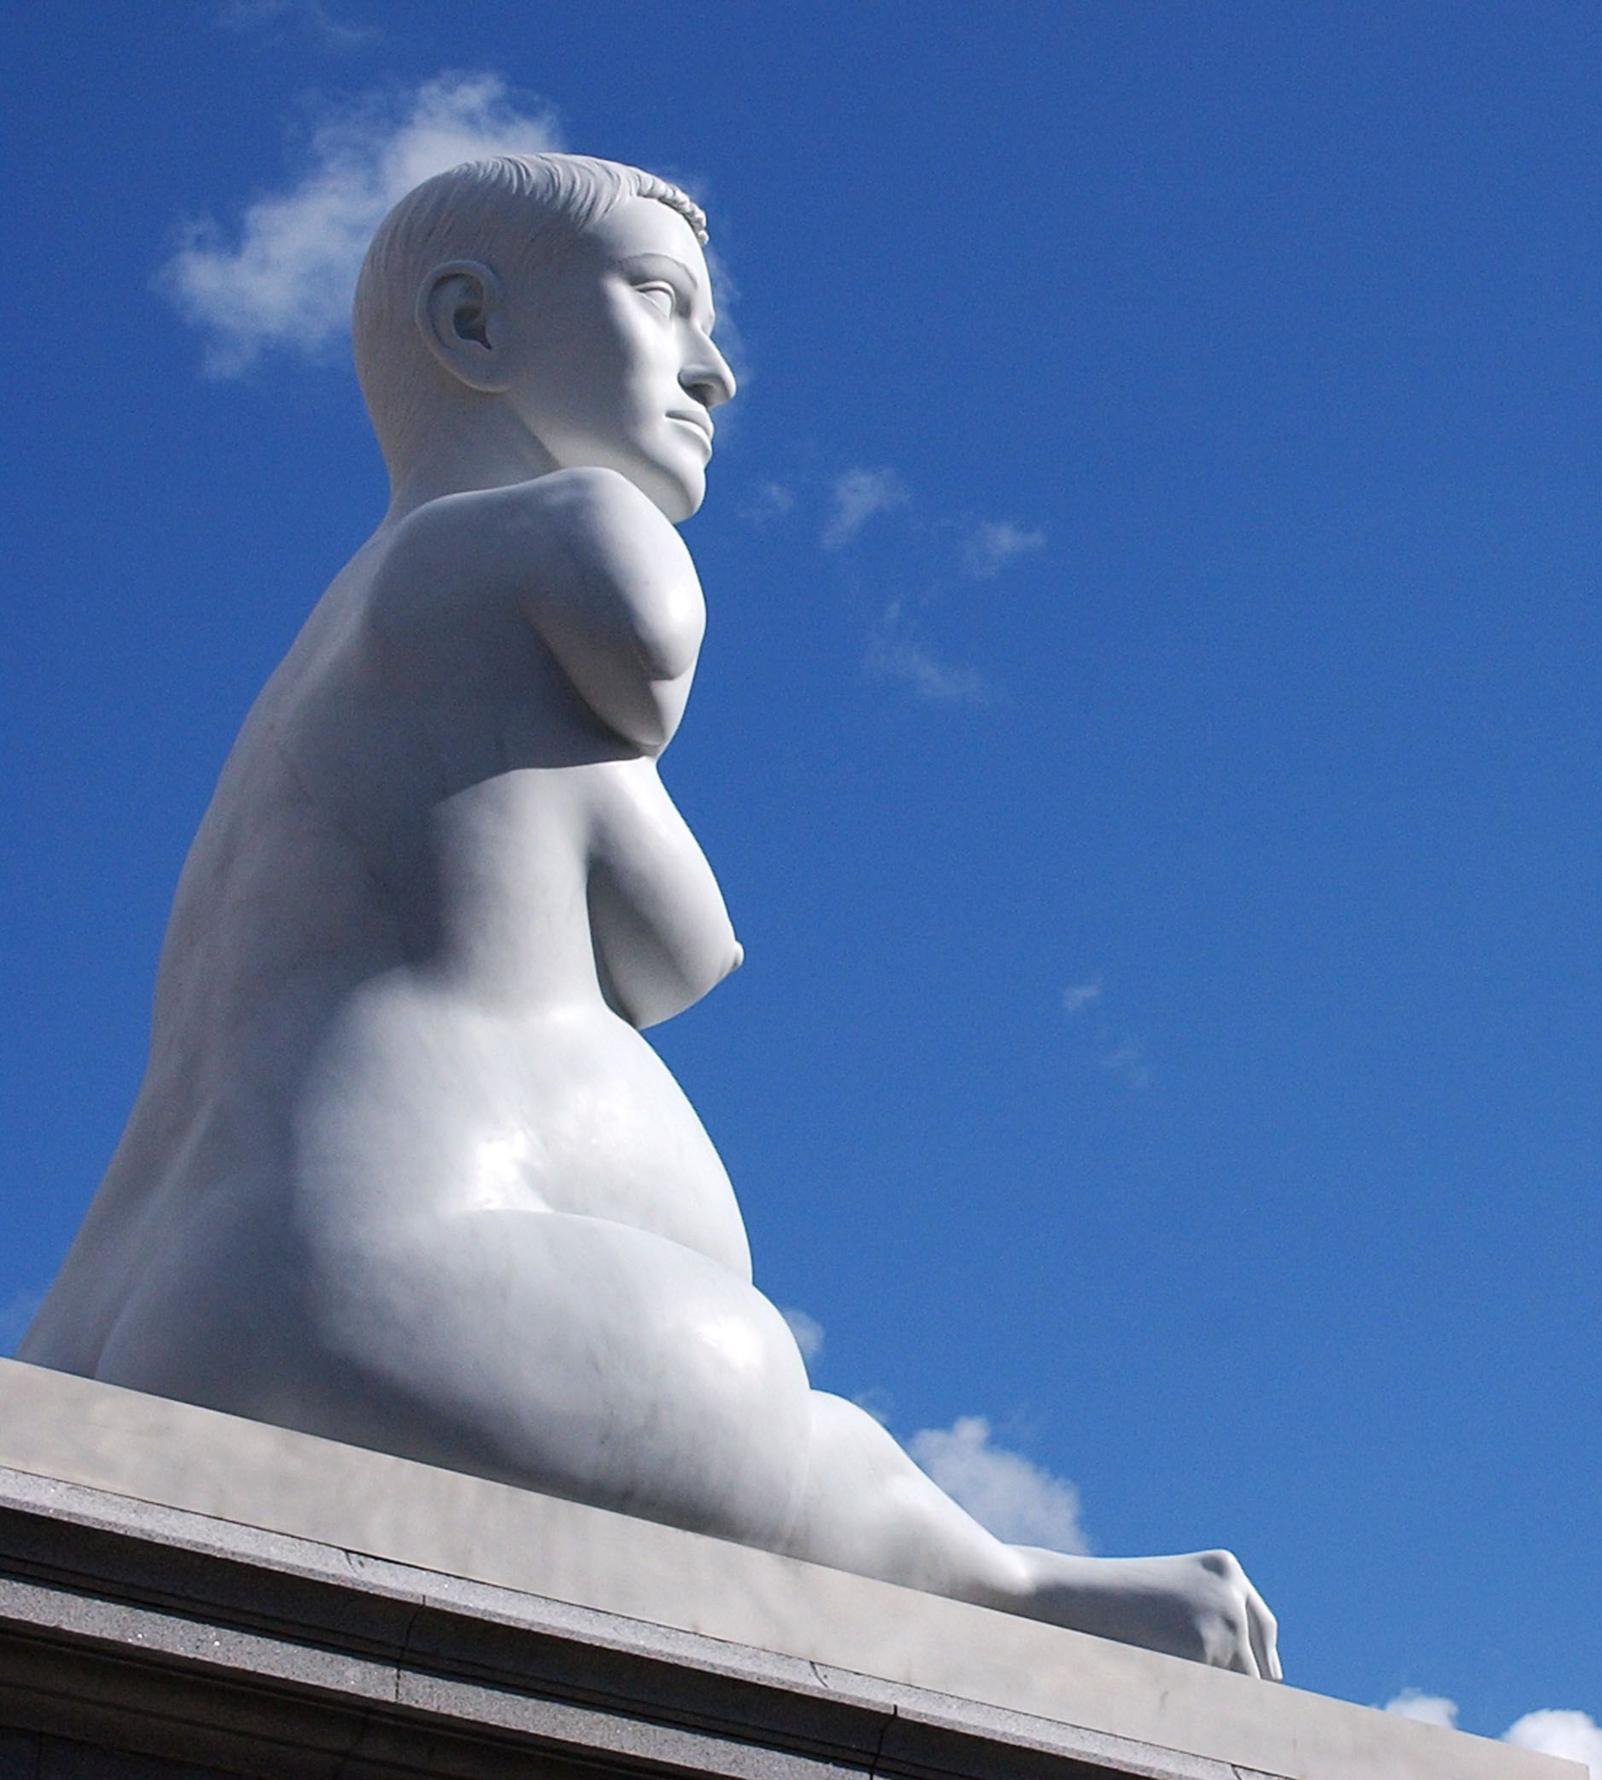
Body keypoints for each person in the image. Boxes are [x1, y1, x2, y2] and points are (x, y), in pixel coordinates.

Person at [18, 154, 1278, 1680]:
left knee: (776, 1413)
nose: (717, 370)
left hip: (122, 1326)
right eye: (664, 303)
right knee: (764, 1395)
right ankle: (1000, 1582)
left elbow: (672, 953)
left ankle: (1005, 1575)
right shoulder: (558, 534)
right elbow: (663, 740)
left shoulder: (331, 678)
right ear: (472, 330)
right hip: (386, 1285)